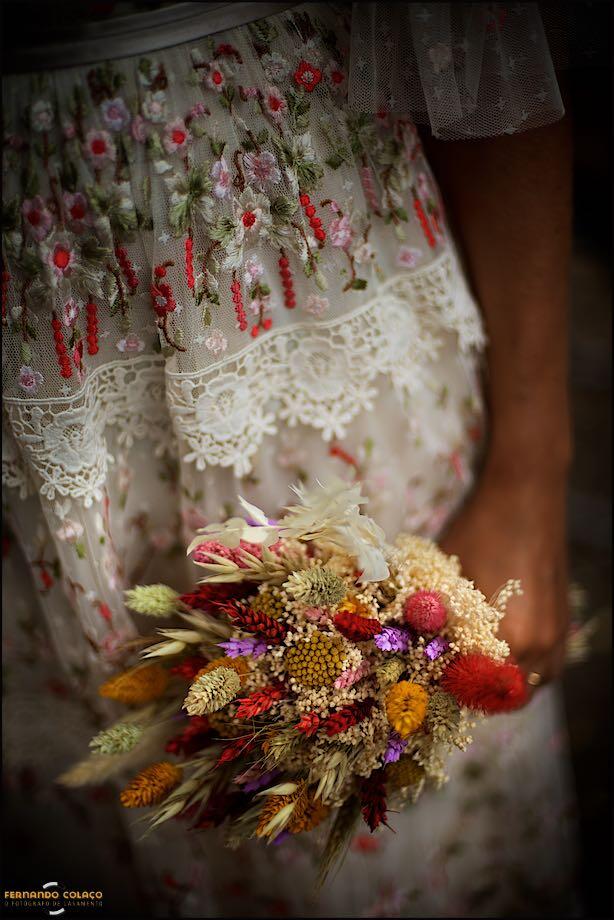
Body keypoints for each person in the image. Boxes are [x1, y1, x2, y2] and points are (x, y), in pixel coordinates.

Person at [2, 2, 578, 915]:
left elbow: (487, 54)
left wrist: (530, 480)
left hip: (309, 320)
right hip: (34, 435)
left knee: (391, 818)